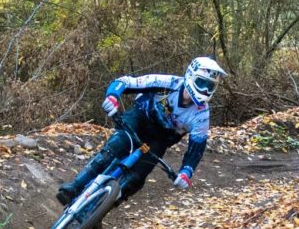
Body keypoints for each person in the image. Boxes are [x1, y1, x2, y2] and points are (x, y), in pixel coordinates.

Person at [56, 56, 228, 206]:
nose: (205, 90)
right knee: (116, 146)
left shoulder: (202, 115)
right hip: (140, 118)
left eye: (210, 87)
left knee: (137, 178)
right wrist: (113, 96)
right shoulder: (168, 83)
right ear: (190, 76)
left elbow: (196, 149)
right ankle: (75, 186)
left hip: (160, 139)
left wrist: (186, 172)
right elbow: (125, 82)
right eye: (201, 83)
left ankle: (101, 209)